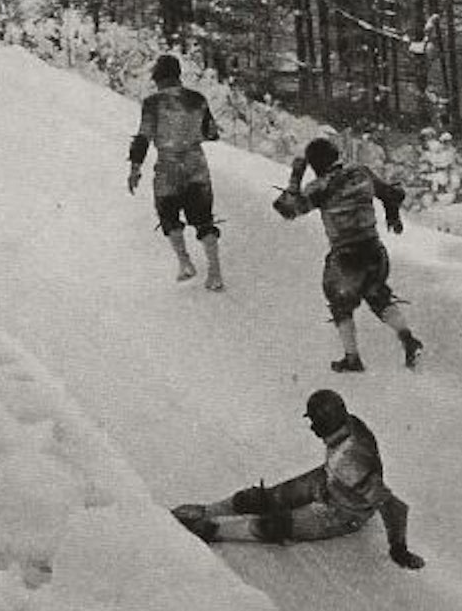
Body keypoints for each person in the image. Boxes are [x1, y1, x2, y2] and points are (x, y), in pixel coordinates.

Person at [172, 389, 425, 570]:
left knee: (276, 525)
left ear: (325, 423)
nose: (311, 427)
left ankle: (213, 529)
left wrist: (398, 549)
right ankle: (209, 511)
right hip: (330, 481)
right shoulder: (351, 424)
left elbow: (393, 506)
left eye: (314, 421)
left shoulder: (348, 461)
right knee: (266, 498)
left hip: (344, 511)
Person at [272, 137, 424, 372]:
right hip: (375, 251)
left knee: (340, 303)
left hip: (346, 257)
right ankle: (406, 336)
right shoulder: (361, 173)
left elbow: (288, 210)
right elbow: (391, 194)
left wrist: (295, 177)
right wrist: (393, 216)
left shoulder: (319, 188)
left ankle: (352, 357)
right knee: (378, 296)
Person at [127, 54, 224, 291]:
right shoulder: (197, 99)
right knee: (203, 219)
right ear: (178, 75)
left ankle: (185, 262)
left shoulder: (153, 103)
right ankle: (215, 272)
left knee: (168, 215)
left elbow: (143, 136)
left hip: (168, 167)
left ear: (158, 77)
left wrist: (135, 168)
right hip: (195, 164)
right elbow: (212, 133)